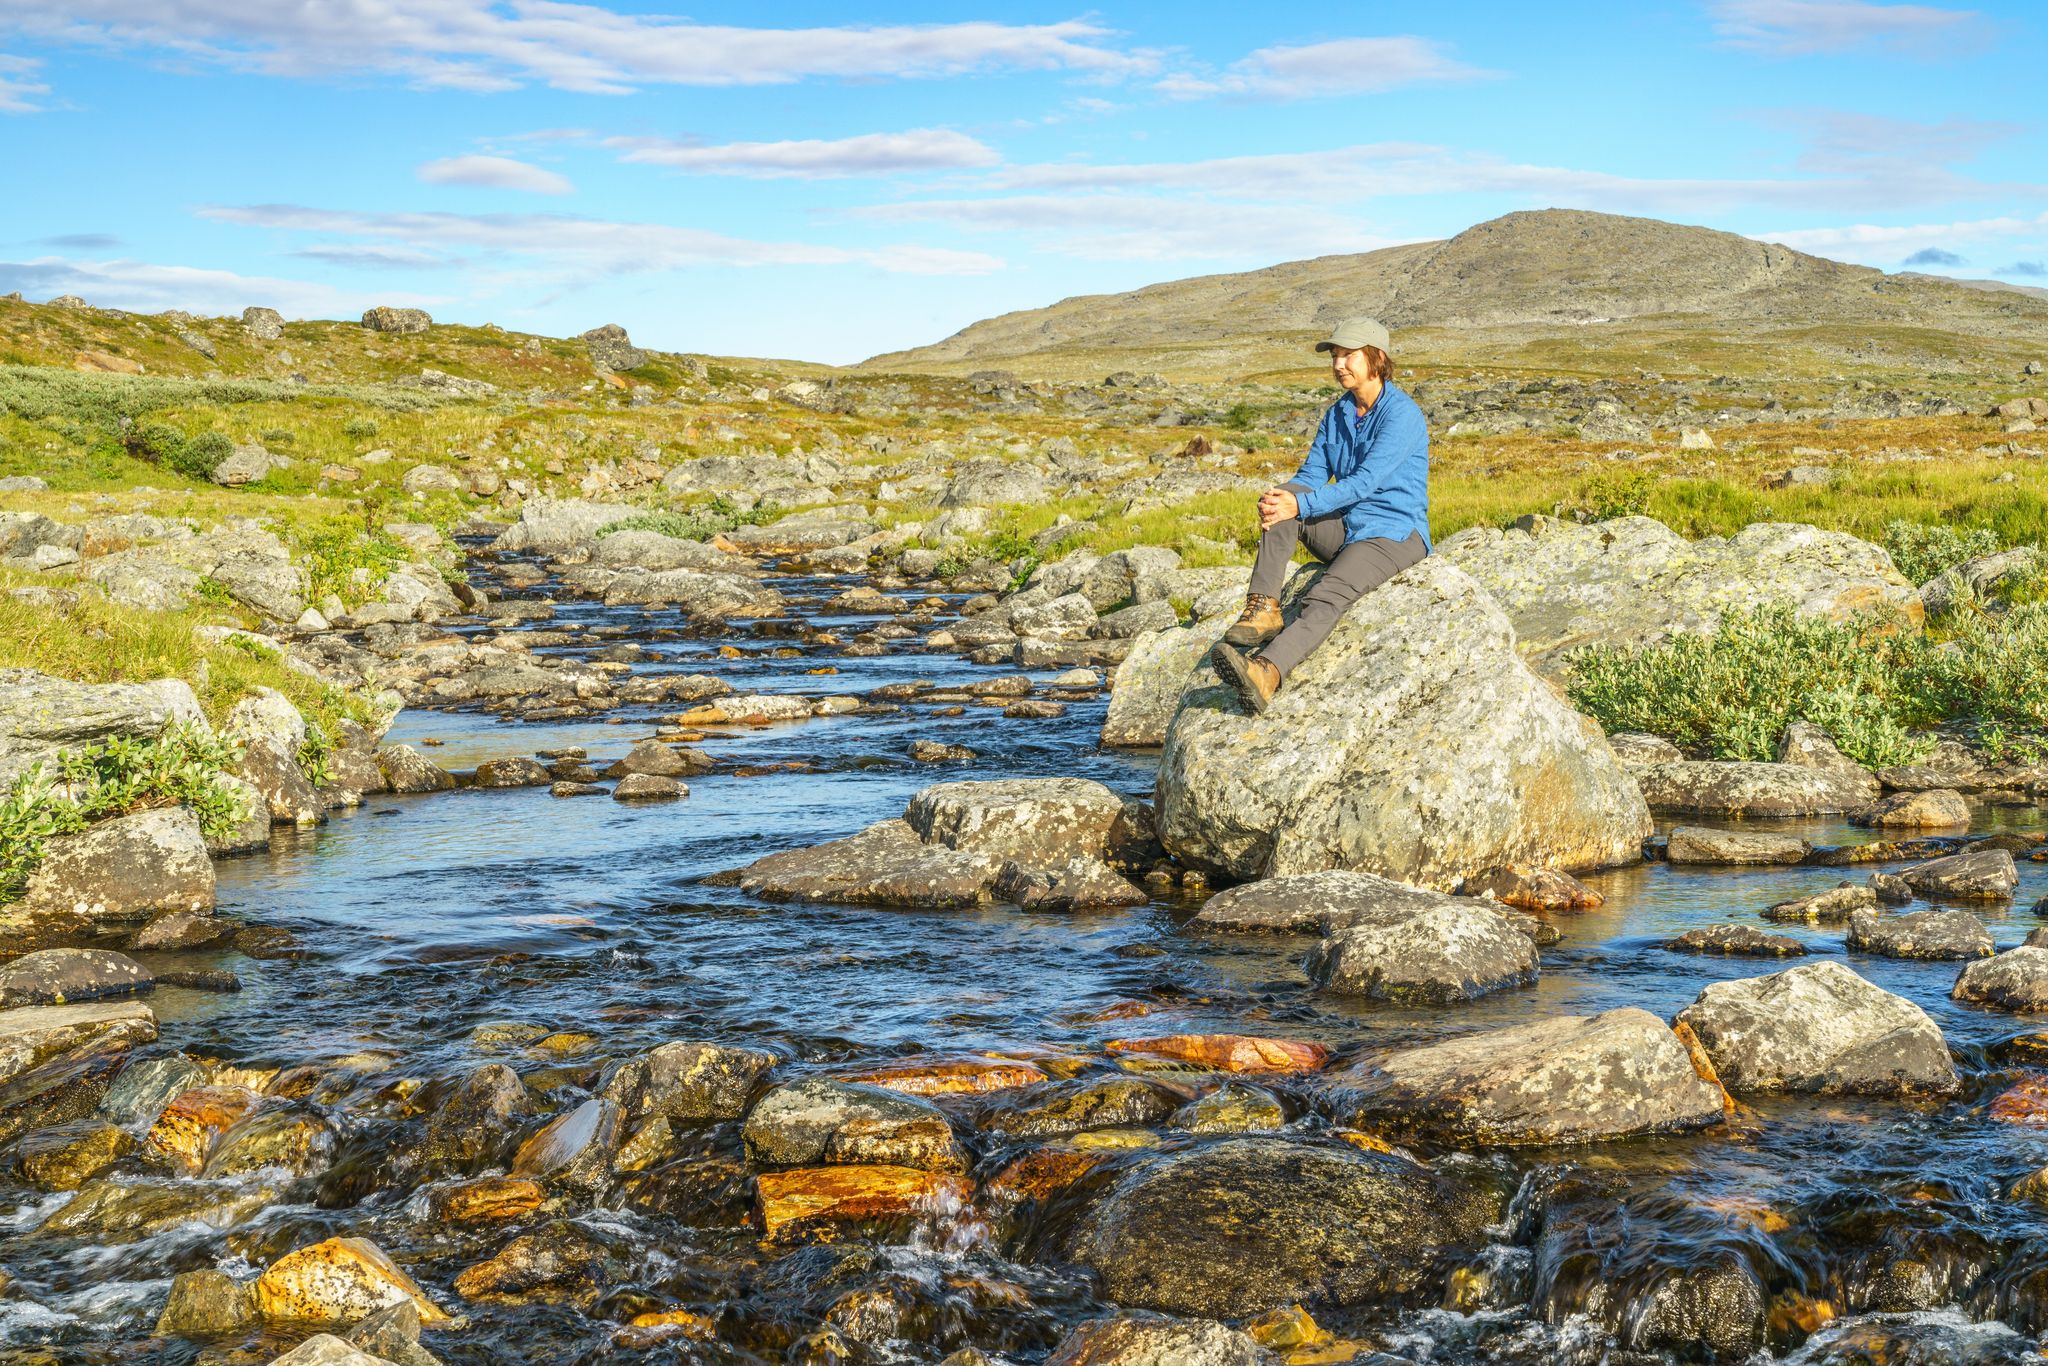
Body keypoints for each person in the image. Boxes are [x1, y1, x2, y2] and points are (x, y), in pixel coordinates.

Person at [1209, 315, 1431, 715]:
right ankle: (1264, 608)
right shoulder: (1339, 413)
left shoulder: (1402, 415)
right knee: (1287, 498)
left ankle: (1266, 671)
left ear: (1376, 359)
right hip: (1347, 525)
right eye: (1334, 356)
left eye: (1348, 356)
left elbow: (1364, 483)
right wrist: (1283, 501)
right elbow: (1312, 475)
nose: (1337, 365)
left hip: (1392, 533)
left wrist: (1303, 505)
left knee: (1324, 595)